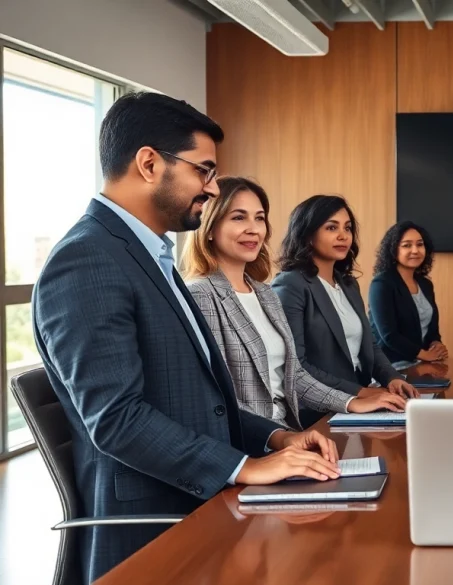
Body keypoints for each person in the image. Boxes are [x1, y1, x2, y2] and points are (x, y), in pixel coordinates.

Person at [31, 92, 341, 583]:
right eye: (204, 170)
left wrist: (277, 437)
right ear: (149, 164)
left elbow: (199, 403)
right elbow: (117, 420)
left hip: (200, 502)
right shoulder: (87, 259)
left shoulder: (148, 256)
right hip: (157, 527)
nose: (212, 188)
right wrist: (243, 467)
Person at [183, 177, 406, 428]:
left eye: (259, 218)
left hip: (288, 426)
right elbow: (217, 394)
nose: (254, 229)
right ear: (208, 227)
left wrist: (350, 402)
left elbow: (294, 375)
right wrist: (279, 437)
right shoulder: (200, 294)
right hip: (253, 438)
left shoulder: (265, 293)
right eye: (238, 217)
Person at [272, 195, 417, 428]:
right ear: (308, 235)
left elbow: (370, 346)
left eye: (347, 228)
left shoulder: (348, 284)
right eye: (331, 227)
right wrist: (360, 392)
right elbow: (297, 365)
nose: (343, 236)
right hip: (316, 412)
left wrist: (392, 378)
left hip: (360, 403)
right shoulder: (291, 285)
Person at [368, 221, 447, 367]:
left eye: (420, 244)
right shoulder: (381, 284)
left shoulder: (425, 284)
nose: (415, 250)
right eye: (407, 245)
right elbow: (389, 336)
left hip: (421, 364)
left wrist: (436, 344)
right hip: (389, 366)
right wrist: (425, 355)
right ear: (393, 250)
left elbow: (432, 331)